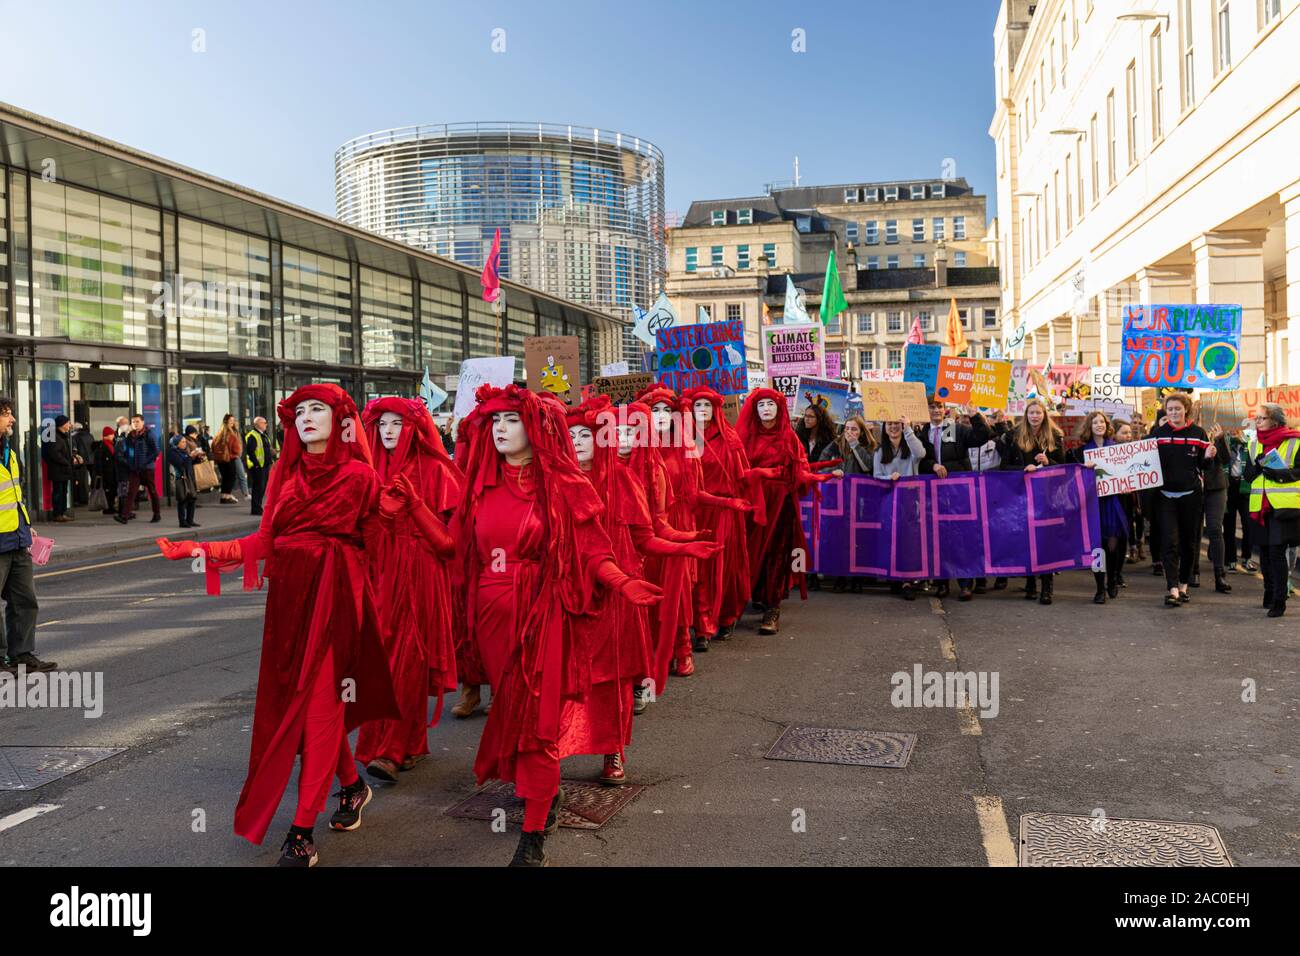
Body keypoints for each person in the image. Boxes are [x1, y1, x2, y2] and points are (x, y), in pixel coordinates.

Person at [157, 384, 400, 867]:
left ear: (339, 419)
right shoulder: (285, 482)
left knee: (319, 712)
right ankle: (351, 786)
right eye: (301, 411)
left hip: (337, 608)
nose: (307, 417)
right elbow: (262, 543)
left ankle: (301, 831)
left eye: (318, 409)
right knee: (303, 710)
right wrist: (204, 550)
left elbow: (380, 550)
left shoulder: (360, 477)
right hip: (289, 612)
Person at [450, 383, 662, 866]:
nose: (500, 429)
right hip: (490, 612)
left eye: (511, 420)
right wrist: (409, 515)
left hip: (544, 614)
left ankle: (532, 838)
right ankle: (539, 794)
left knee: (538, 720)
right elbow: (454, 549)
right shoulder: (479, 486)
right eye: (494, 421)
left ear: (536, 427)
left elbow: (591, 549)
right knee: (511, 707)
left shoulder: (565, 484)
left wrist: (621, 581)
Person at [567, 394, 712, 784]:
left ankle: (612, 750)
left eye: (585, 433)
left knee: (612, 677)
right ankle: (550, 753)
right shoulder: (553, 483)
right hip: (568, 594)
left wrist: (684, 546)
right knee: (566, 675)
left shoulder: (624, 478)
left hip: (618, 593)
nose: (578, 439)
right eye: (571, 433)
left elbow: (647, 537)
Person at [355, 397, 462, 784]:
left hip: (419, 576)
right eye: (382, 423)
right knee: (380, 660)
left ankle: (393, 747)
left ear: (414, 428)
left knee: (409, 660)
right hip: (377, 576)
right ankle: (409, 742)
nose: (387, 430)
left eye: (396, 424)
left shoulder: (436, 469)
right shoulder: (366, 470)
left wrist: (415, 507)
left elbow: (450, 545)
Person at [739, 389, 827, 634]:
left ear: (779, 409)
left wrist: (775, 474)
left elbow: (799, 471)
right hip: (753, 505)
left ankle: (773, 607)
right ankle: (755, 594)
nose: (766, 408)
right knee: (751, 551)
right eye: (761, 404)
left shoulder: (789, 438)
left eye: (771, 404)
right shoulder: (745, 438)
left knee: (777, 554)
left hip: (781, 506)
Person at [685, 386, 761, 640]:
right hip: (697, 512)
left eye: (707, 405)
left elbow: (743, 476)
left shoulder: (730, 439)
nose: (703, 410)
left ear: (715, 409)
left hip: (726, 513)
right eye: (698, 406)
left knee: (726, 567)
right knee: (700, 568)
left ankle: (727, 615)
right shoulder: (683, 438)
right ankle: (703, 623)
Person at [916, 398, 992, 600]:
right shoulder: (921, 433)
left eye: (939, 406)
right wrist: (932, 465)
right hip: (934, 492)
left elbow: (982, 436)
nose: (935, 410)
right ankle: (942, 583)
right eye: (931, 407)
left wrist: (974, 415)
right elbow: (918, 460)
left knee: (961, 536)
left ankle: (966, 583)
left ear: (945, 409)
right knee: (938, 537)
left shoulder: (957, 429)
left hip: (958, 491)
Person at [0, 396, 54, 675]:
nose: (12, 420)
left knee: (25, 600)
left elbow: (15, 494)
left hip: (18, 537)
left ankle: (21, 654)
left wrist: (26, 524)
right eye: (6, 414)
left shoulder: (9, 452)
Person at [1149, 393, 1215, 608]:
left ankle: (1185, 585)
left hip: (1191, 496)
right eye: (1170, 409)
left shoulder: (1198, 433)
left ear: (1185, 409)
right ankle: (1173, 589)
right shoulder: (1157, 434)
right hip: (1165, 497)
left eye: (1177, 408)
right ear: (1165, 412)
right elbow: (1141, 462)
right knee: (1170, 543)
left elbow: (1205, 467)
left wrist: (1208, 457)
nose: (1174, 412)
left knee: (1189, 544)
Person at [998, 398, 1066, 604]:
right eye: (1031, 413)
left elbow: (1064, 467)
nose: (1035, 416)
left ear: (1045, 415)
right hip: (1023, 495)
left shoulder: (1055, 437)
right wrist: (1023, 470)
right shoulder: (1015, 437)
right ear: (1026, 416)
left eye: (1038, 412)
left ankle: (1047, 587)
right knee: (1027, 539)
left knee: (1046, 541)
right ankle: (1030, 583)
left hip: (1047, 496)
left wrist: (1049, 462)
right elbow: (1004, 467)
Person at [1243, 402, 1300, 618]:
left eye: (1261, 418)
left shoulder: (1294, 440)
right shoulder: (1253, 443)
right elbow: (1248, 477)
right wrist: (1257, 467)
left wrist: (1279, 474)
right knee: (1265, 554)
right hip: (1260, 506)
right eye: (1256, 418)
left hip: (1284, 506)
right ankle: (1268, 592)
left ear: (1275, 421)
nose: (1257, 421)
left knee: (1277, 552)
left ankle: (1280, 599)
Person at [1072, 411, 1129, 603]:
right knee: (1096, 548)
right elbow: (1074, 478)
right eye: (1095, 422)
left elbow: (1126, 475)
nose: (1099, 425)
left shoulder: (1116, 448)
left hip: (1111, 504)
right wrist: (1083, 469)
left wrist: (1126, 486)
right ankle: (1099, 588)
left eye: (1102, 422)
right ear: (1089, 426)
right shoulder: (1080, 452)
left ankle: (1112, 579)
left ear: (1107, 425)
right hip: (1092, 504)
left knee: (1112, 547)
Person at [820, 415, 877, 593]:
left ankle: (857, 577)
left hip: (861, 500)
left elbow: (868, 466)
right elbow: (822, 465)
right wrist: (832, 470)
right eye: (847, 429)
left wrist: (855, 446)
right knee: (841, 538)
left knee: (859, 539)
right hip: (840, 499)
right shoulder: (835, 445)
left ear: (861, 432)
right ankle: (840, 576)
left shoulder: (869, 447)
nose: (849, 432)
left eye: (854, 429)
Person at [873, 416, 927, 600]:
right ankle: (894, 577)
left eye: (897, 423)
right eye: (889, 423)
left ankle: (907, 580)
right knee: (891, 538)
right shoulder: (880, 452)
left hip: (910, 502)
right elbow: (877, 475)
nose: (893, 427)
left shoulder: (910, 448)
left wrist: (908, 429)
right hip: (889, 501)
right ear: (884, 427)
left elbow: (921, 454)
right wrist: (890, 479)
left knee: (909, 541)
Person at [1198, 419, 1234, 594]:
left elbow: (1226, 460)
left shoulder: (1215, 434)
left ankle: (1220, 575)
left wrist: (1220, 439)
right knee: (1193, 530)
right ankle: (1192, 572)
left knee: (1214, 529)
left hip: (1216, 488)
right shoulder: (1191, 434)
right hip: (1194, 488)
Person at [114, 414, 161, 524]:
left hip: (147, 468)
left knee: (152, 491)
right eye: (133, 422)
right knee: (131, 492)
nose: (135, 424)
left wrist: (144, 462)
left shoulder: (149, 434)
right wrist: (130, 463)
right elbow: (127, 451)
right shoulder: (130, 435)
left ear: (143, 422)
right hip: (135, 468)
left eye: (137, 421)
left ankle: (157, 514)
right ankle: (124, 516)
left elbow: (156, 451)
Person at [1224, 420, 1257, 573]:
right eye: (1231, 429)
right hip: (1228, 488)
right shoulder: (1224, 445)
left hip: (1245, 488)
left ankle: (1247, 558)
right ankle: (1231, 560)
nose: (1234, 432)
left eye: (1237, 429)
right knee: (1229, 526)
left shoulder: (1249, 445)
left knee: (1248, 525)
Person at [167, 429, 205, 529]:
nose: (185, 444)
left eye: (185, 441)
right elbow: (181, 464)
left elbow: (189, 462)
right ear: (176, 443)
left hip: (189, 477)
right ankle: (182, 521)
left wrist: (198, 458)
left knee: (192, 498)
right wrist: (190, 456)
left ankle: (190, 520)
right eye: (182, 442)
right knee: (182, 500)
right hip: (181, 479)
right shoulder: (173, 452)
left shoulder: (183, 451)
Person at [41, 415, 76, 523]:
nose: (70, 425)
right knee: (58, 492)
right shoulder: (55, 436)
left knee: (63, 491)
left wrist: (72, 458)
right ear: (62, 424)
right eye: (68, 423)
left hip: (63, 470)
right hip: (58, 470)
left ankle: (62, 513)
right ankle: (58, 514)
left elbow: (62, 452)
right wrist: (67, 462)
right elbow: (54, 454)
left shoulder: (63, 436)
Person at [243, 416, 276, 517]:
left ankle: (258, 507)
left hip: (265, 465)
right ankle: (256, 509)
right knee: (258, 488)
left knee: (262, 488)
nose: (266, 424)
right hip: (257, 467)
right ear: (258, 424)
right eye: (264, 423)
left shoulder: (263, 435)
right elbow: (250, 452)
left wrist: (271, 455)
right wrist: (256, 464)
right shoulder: (252, 435)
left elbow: (266, 449)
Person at [211, 414, 244, 504]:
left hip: (220, 459)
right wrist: (237, 453)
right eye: (232, 421)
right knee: (231, 478)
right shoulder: (231, 435)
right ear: (229, 423)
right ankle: (227, 496)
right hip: (229, 459)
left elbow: (213, 446)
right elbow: (236, 449)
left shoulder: (218, 434)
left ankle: (223, 496)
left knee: (225, 478)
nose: (233, 423)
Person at [92, 426, 118, 515]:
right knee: (107, 490)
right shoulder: (101, 447)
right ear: (106, 435)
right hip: (106, 473)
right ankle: (107, 507)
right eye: (111, 434)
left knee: (113, 490)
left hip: (113, 472)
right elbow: (98, 461)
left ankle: (110, 506)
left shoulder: (112, 445)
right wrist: (99, 473)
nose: (113, 436)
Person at [71, 421, 94, 506]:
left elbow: (74, 450)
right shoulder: (89, 435)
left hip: (81, 461)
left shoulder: (73, 436)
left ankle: (81, 499)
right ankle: (90, 498)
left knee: (81, 480)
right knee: (92, 480)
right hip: (91, 460)